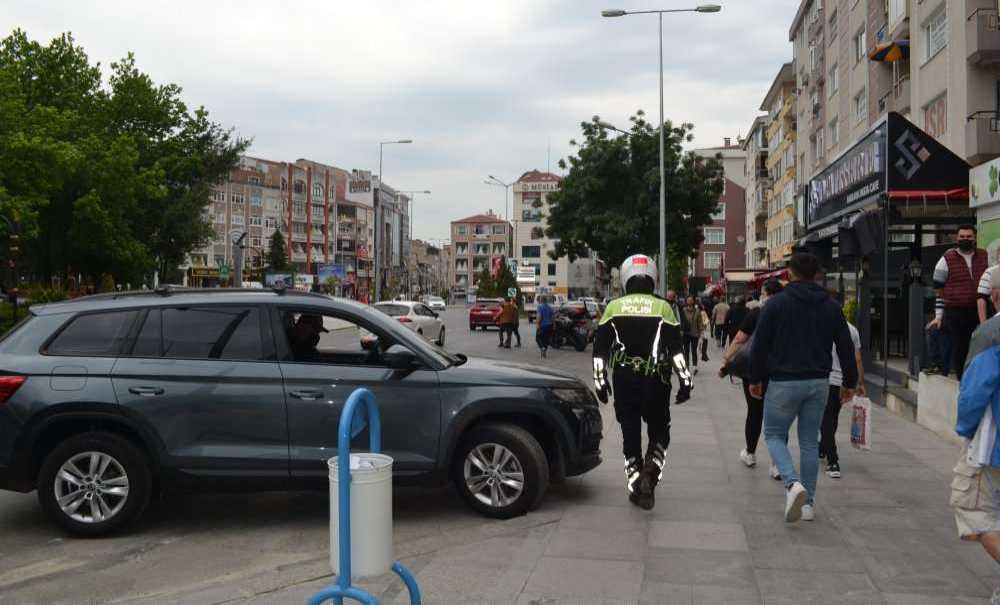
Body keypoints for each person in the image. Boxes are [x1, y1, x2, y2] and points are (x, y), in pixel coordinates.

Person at [749, 253, 857, 523]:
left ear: (790, 273)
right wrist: (849, 382)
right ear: (817, 274)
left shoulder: (776, 304)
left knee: (774, 434)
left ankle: (792, 482)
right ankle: (807, 505)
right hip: (819, 381)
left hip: (783, 380)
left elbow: (760, 345)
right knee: (809, 442)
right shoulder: (831, 306)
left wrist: (755, 378)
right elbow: (846, 346)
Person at [593, 254, 692, 510]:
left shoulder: (613, 307)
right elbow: (677, 350)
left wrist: (600, 382)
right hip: (656, 380)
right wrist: (685, 382)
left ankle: (636, 484)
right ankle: (651, 472)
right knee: (660, 431)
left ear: (626, 278)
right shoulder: (664, 308)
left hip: (624, 380)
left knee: (630, 434)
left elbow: (600, 351)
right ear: (653, 278)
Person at [953, 268, 1000, 596]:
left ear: (995, 296)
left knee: (973, 511)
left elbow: (974, 392)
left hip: (992, 447)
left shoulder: (991, 333)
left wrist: (965, 429)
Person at [723, 278, 783, 479]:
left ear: (766, 294)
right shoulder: (788, 313)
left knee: (755, 412)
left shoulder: (757, 313)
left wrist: (726, 360)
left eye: (763, 293)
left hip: (755, 370)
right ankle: (777, 464)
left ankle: (750, 453)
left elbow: (740, 339)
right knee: (778, 417)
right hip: (780, 372)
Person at [931, 225, 989, 379]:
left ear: (975, 238)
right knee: (960, 347)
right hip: (956, 311)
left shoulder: (984, 256)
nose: (965, 239)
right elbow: (939, 289)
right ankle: (962, 378)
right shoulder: (946, 259)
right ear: (957, 238)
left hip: (980, 308)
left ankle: (979, 377)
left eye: (969, 237)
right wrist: (939, 316)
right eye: (962, 237)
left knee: (982, 344)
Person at [818, 291, 865, 479]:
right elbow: (857, 359)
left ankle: (833, 460)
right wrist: (859, 382)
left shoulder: (821, 325)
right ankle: (823, 448)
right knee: (831, 417)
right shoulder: (852, 330)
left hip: (825, 378)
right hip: (842, 381)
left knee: (826, 419)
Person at [681, 297, 705, 375]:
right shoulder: (683, 311)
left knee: (694, 350)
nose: (689, 302)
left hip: (695, 334)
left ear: (693, 301)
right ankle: (687, 366)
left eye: (691, 300)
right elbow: (680, 321)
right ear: (686, 301)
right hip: (685, 334)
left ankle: (695, 366)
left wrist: (701, 333)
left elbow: (700, 323)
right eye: (688, 300)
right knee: (686, 351)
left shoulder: (697, 311)